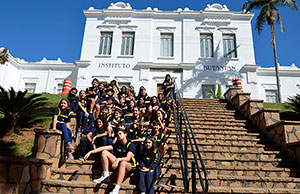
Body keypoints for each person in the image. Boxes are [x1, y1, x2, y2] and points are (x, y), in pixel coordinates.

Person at [84, 128, 136, 194]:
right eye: (117, 135)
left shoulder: (131, 144)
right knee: (104, 152)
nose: (119, 136)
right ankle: (106, 175)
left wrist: (118, 159)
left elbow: (128, 158)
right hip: (119, 164)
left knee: (123, 163)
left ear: (125, 134)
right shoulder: (118, 144)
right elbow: (103, 148)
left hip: (129, 165)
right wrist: (90, 152)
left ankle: (116, 189)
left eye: (120, 134)